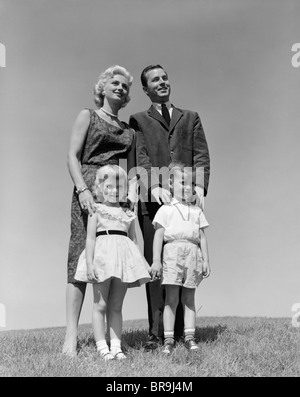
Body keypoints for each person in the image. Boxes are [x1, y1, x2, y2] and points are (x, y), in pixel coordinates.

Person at [129, 64, 210, 349]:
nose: (162, 82)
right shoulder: (138, 120)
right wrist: (153, 186)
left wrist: (199, 187)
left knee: (185, 262)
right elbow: (139, 157)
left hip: (186, 205)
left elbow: (200, 154)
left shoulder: (191, 118)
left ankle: (183, 334)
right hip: (153, 205)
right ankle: (157, 335)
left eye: (164, 77)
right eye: (155, 80)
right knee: (158, 267)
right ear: (145, 89)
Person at [63, 65, 137, 356]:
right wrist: (82, 189)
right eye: (114, 83)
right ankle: (71, 336)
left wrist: (131, 194)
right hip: (88, 189)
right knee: (80, 255)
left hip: (114, 194)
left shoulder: (129, 131)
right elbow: (72, 155)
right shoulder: (87, 116)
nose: (120, 88)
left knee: (111, 259)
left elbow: (132, 171)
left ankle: (109, 339)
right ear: (102, 88)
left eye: (125, 86)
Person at [74, 165, 151, 360]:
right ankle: (102, 347)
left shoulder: (128, 213)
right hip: (101, 259)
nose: (113, 191)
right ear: (99, 188)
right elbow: (90, 238)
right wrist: (90, 264)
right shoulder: (96, 210)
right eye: (108, 186)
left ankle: (116, 346)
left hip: (122, 261)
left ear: (124, 189)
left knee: (116, 305)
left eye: (118, 187)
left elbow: (133, 240)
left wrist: (142, 262)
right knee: (100, 304)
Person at [150, 161, 210, 354]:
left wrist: (206, 260)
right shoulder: (165, 209)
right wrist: (156, 261)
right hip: (172, 254)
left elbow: (202, 237)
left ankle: (190, 337)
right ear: (170, 183)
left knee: (189, 298)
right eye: (182, 182)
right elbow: (158, 235)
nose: (187, 187)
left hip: (192, 254)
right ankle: (168, 339)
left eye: (191, 184)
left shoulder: (196, 210)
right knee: (172, 298)